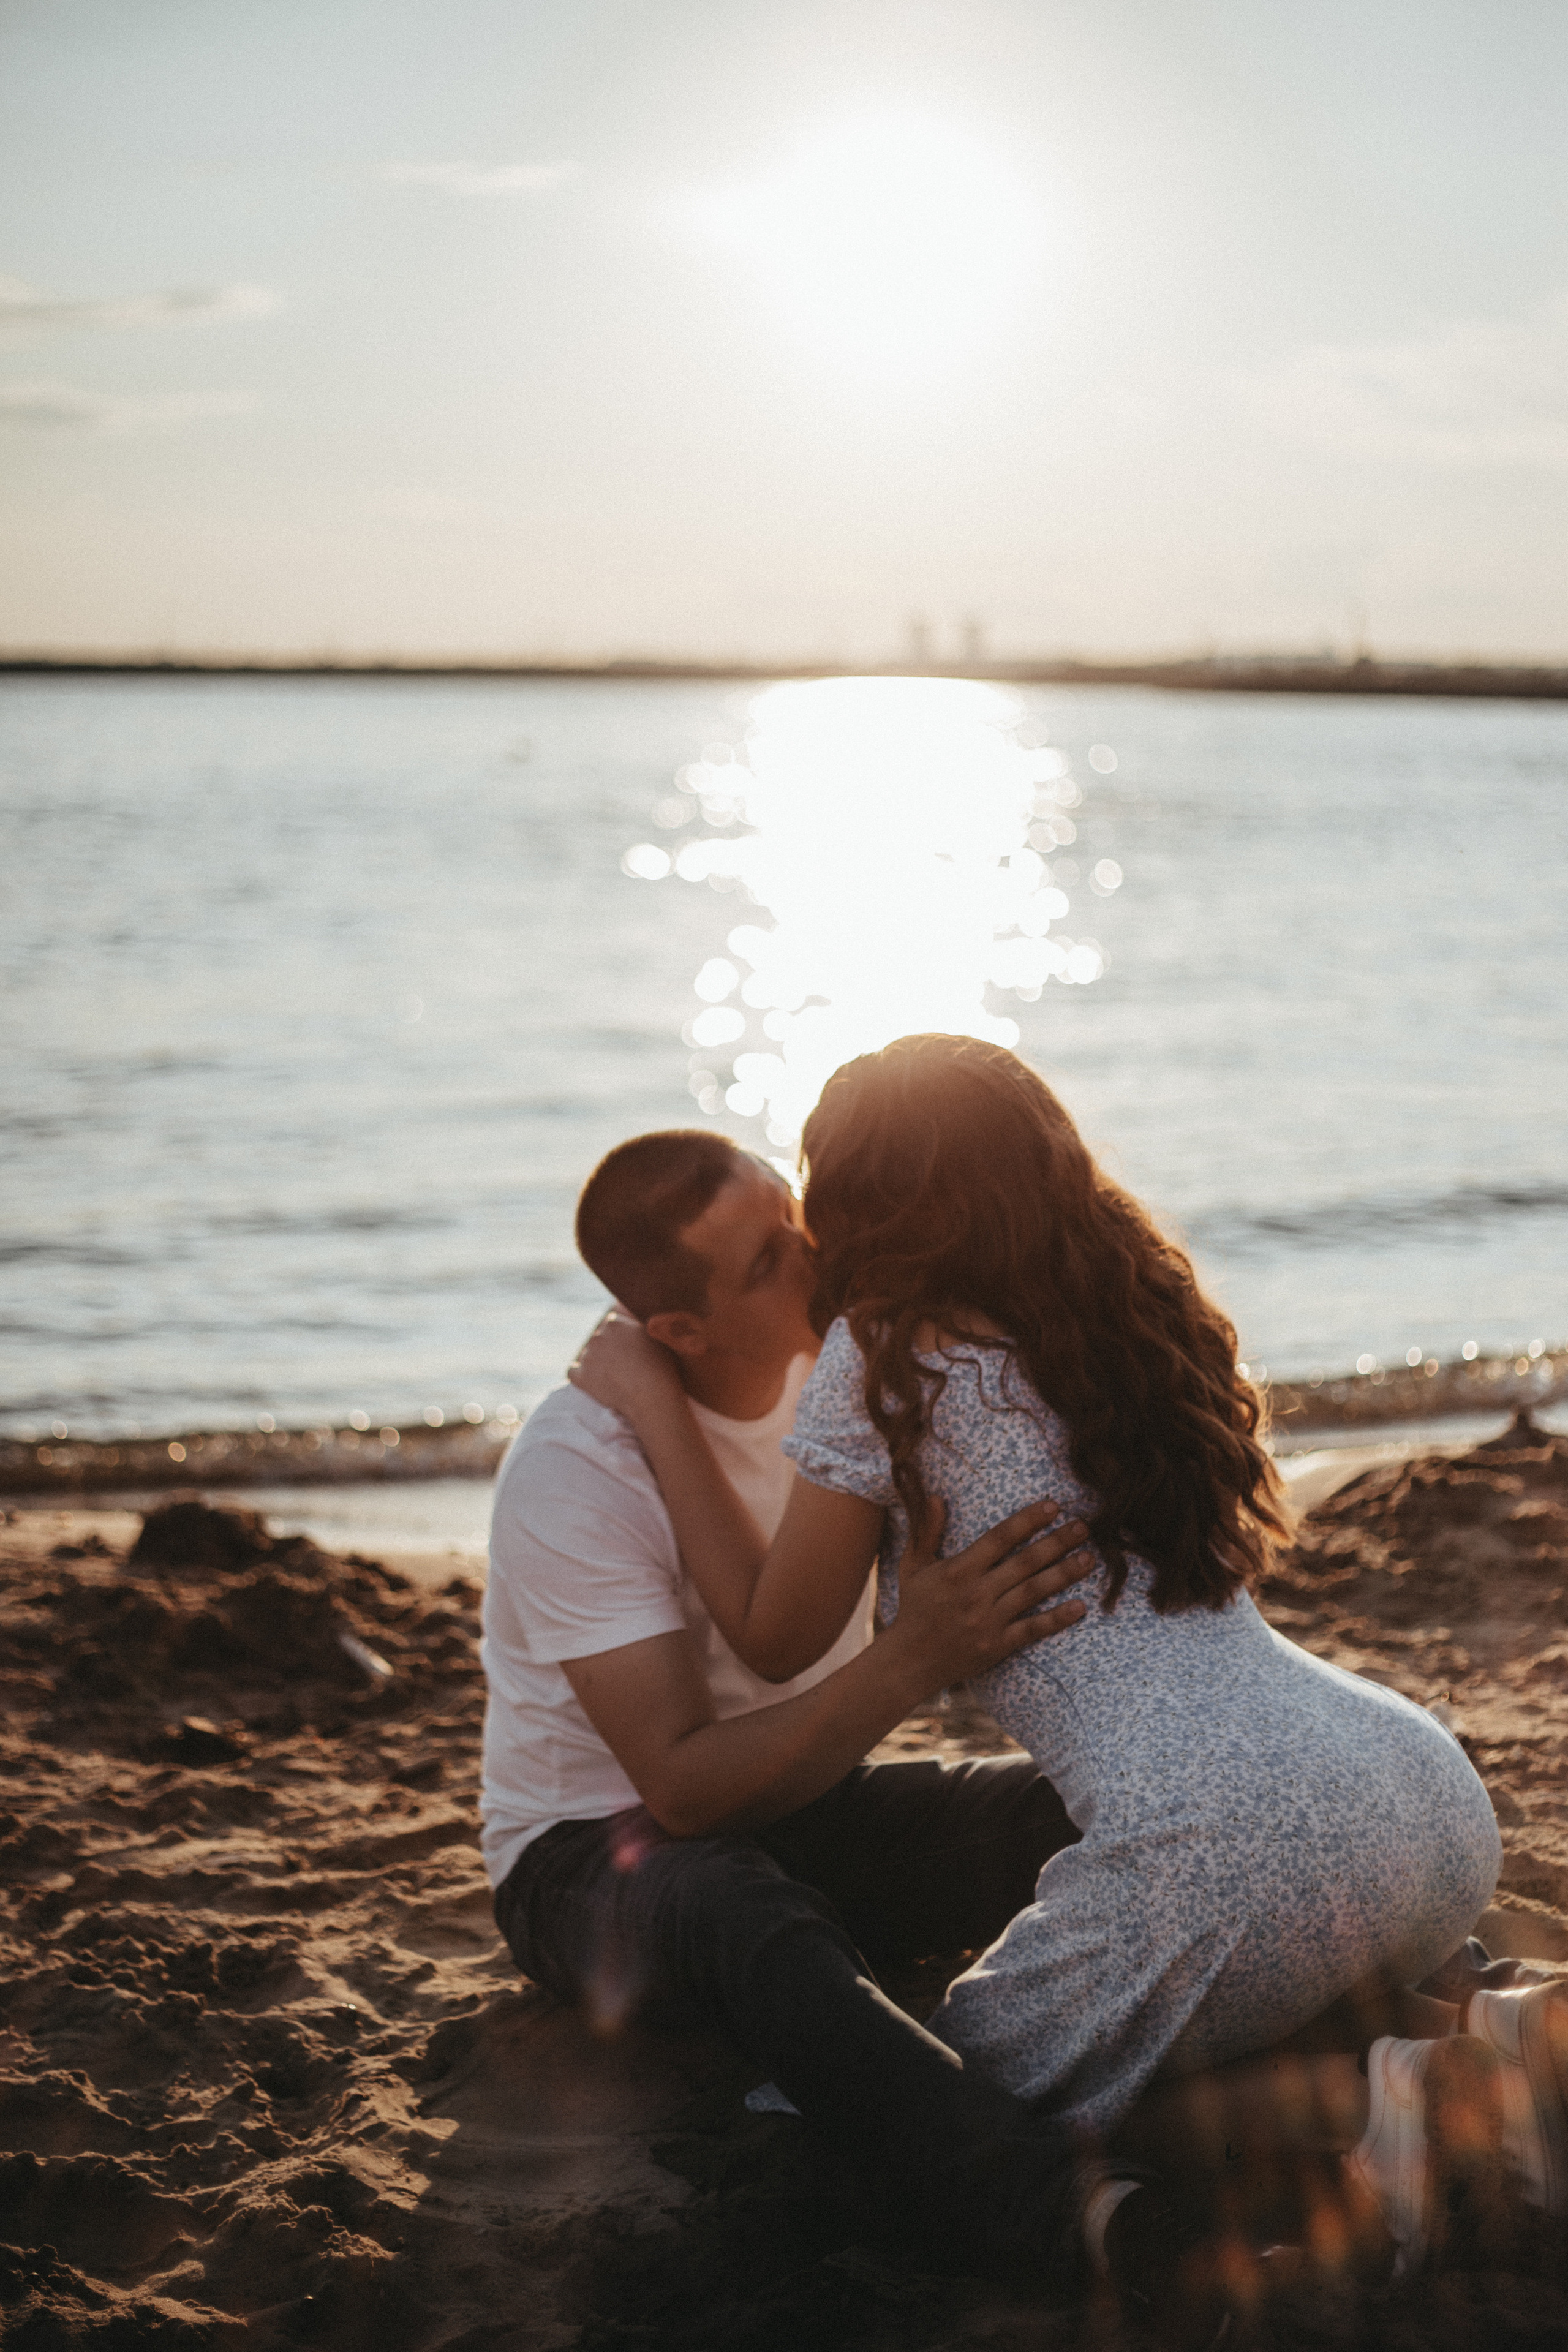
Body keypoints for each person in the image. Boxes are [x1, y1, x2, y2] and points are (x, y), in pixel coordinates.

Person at [569, 1036, 1566, 2284]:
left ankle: (1383, 2100)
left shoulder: (880, 1355)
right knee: (1223, 2003)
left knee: (896, 2115)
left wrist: (656, 1410)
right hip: (1421, 1792)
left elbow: (770, 1634)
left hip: (1210, 1848)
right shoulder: (1124, 1320)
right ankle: (1490, 2036)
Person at [481, 1128, 1184, 2327]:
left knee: (1091, 1795)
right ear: (677, 1335)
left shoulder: (847, 1380)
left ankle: (1412, 1998)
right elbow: (684, 1794)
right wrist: (917, 1657)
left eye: (795, 1217)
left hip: (803, 1799)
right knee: (741, 1910)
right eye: (765, 1260)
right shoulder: (574, 1468)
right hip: (590, 1856)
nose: (815, 1255)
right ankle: (1062, 2214)